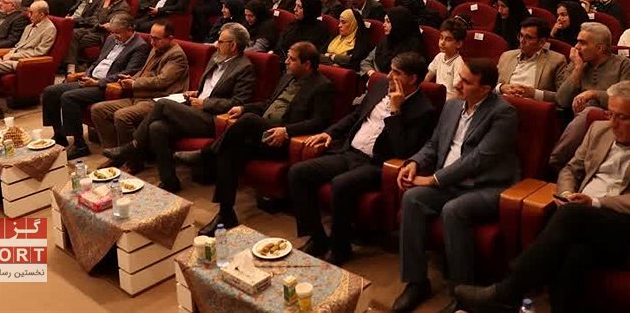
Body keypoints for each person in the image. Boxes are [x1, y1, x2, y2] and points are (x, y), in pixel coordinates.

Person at [454, 81, 630, 313]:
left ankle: (507, 291)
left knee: (572, 216)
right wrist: (566, 193)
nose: (613, 123)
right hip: (579, 219)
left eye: (621, 117)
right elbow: (570, 169)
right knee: (575, 253)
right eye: (610, 114)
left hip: (626, 226)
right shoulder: (599, 129)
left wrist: (595, 203)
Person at [392, 58, 519, 312]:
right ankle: (417, 282)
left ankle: (463, 293)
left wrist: (433, 179)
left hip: (486, 186)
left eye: (466, 81)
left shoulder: (503, 113)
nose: (458, 84)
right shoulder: (452, 106)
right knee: (412, 199)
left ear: (485, 89)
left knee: (454, 210)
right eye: (459, 77)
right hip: (450, 184)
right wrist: (414, 162)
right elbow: (433, 144)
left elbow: (478, 159)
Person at [290, 52, 437, 266]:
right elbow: (356, 116)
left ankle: (340, 248)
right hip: (349, 152)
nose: (389, 76)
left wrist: (396, 111)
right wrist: (329, 133)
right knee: (298, 173)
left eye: (396, 73)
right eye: (390, 71)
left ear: (413, 78)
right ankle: (317, 238)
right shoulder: (380, 86)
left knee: (341, 184)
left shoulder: (424, 110)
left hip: (377, 164)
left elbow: (404, 150)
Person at [184, 41, 333, 235]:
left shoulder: (322, 86)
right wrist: (243, 107)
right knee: (229, 151)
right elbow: (268, 104)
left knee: (248, 120)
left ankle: (208, 153)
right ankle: (225, 214)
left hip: (281, 141)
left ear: (307, 64)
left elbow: (319, 122)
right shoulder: (287, 77)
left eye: (292, 59)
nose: (286, 62)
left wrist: (286, 131)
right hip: (260, 134)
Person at [104, 23, 256, 186]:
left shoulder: (244, 68)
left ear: (233, 45)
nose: (216, 45)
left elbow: (238, 102)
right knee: (156, 127)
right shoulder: (216, 57)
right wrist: (196, 93)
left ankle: (134, 145)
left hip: (213, 118)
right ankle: (169, 180)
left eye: (220, 41)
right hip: (194, 111)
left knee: (163, 103)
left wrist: (206, 103)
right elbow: (210, 88)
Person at [41, 14, 149, 158]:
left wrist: (98, 82)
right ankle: (59, 135)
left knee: (69, 97)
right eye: (113, 32)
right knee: (50, 91)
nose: (115, 36)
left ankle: (80, 145)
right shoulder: (111, 39)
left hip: (106, 86)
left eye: (118, 32)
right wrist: (87, 74)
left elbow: (129, 73)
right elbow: (98, 60)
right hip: (91, 79)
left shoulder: (140, 46)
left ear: (130, 29)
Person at [84, 20, 189, 154]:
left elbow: (162, 81)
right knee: (98, 110)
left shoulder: (176, 55)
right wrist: (131, 78)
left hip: (157, 100)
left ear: (170, 38)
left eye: (156, 39)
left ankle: (132, 158)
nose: (152, 42)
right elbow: (144, 71)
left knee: (122, 116)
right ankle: (112, 151)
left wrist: (134, 84)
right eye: (151, 37)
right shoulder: (156, 48)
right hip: (140, 96)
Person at [550, 22, 630, 169]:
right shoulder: (578, 64)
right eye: (577, 42)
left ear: (599, 48)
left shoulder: (625, 65)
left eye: (582, 43)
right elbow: (561, 100)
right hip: (574, 119)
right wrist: (577, 69)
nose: (576, 47)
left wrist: (594, 94)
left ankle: (555, 161)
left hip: (613, 120)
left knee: (589, 112)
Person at [0, 1, 57, 123]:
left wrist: (13, 56)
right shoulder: (29, 27)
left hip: (25, 62)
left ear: (41, 14)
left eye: (32, 13)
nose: (29, 15)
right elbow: (18, 45)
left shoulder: (49, 29)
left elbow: (40, 52)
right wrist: (9, 53)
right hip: (13, 57)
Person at [64, 0, 130, 74]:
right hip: (93, 28)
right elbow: (94, 18)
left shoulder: (123, 7)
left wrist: (106, 4)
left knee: (71, 40)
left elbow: (107, 22)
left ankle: (71, 69)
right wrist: (99, 24)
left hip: (103, 35)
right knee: (71, 34)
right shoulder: (103, 1)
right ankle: (73, 67)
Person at [496, 17, 567, 103]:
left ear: (542, 42)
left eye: (528, 37)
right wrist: (501, 87)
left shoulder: (557, 60)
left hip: (531, 106)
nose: (522, 41)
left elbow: (563, 97)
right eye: (521, 35)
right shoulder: (507, 56)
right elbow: (488, 85)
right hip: (502, 103)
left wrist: (534, 93)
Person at [360, 6, 424, 76]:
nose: (383, 25)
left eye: (388, 22)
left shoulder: (412, 48)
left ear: (398, 24)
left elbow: (403, 75)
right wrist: (372, 73)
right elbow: (365, 62)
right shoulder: (386, 41)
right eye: (384, 21)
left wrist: (379, 77)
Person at [425, 17, 467, 99]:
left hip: (450, 101)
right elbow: (428, 77)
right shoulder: (439, 56)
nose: (442, 42)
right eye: (441, 38)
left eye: (448, 40)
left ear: (458, 44)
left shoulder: (458, 63)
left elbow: (457, 92)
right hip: (437, 98)